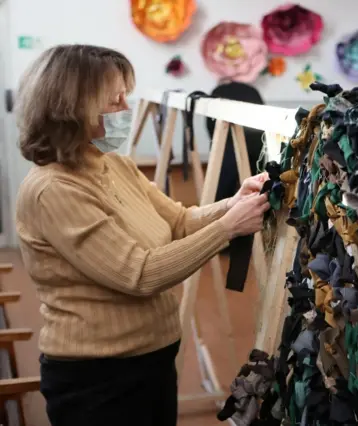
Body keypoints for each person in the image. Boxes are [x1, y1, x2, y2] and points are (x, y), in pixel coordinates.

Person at [14, 44, 270, 426]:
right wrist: (228, 228)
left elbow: (180, 221)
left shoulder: (112, 163)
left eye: (124, 97)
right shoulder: (54, 189)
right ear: (71, 109)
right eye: (115, 101)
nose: (126, 110)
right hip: (99, 376)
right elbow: (139, 274)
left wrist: (231, 204)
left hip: (153, 355)